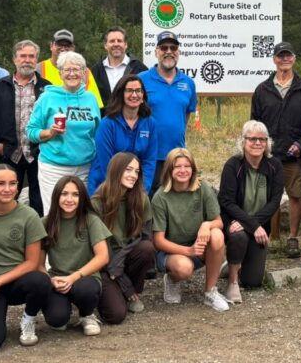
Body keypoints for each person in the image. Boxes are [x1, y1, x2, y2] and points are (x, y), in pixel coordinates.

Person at [0, 164, 51, 351]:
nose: (7, 189)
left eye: (12, 183)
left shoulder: (29, 216)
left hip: (17, 281)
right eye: (1, 183)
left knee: (40, 280)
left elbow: (32, 262)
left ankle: (28, 319)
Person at [250, 41, 301, 259]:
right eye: (281, 56)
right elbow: (255, 124)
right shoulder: (262, 89)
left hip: (295, 155)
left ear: (294, 59)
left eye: (288, 55)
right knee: (269, 197)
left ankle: (293, 238)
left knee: (295, 195)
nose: (284, 59)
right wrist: (259, 148)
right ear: (274, 60)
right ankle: (271, 237)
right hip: (268, 155)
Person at [151, 148, 229, 312]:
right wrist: (188, 251)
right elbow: (158, 241)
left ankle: (210, 291)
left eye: (187, 166)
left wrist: (206, 225)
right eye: (177, 166)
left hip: (198, 247)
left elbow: (219, 222)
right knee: (184, 269)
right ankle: (172, 279)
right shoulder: (160, 197)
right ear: (169, 169)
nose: (183, 170)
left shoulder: (203, 188)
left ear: (193, 169)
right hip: (172, 252)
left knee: (217, 235)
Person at [26, 51, 101, 216]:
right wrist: (50, 132)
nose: (72, 73)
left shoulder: (91, 99)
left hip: (85, 167)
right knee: (54, 214)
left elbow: (97, 132)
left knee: (82, 214)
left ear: (84, 73)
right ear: (60, 73)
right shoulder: (47, 98)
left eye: (76, 69)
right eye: (67, 70)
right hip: (54, 167)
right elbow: (31, 131)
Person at [218, 121, 283, 303]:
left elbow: (275, 202)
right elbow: (226, 202)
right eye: (252, 139)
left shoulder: (275, 165)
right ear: (243, 141)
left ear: (267, 143)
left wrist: (252, 224)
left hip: (258, 226)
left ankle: (234, 261)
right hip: (234, 222)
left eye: (262, 139)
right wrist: (251, 224)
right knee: (238, 236)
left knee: (253, 281)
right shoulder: (233, 165)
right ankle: (232, 280)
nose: (257, 143)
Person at [41, 176, 111, 336]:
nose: (69, 199)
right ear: (56, 196)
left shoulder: (91, 220)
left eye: (75, 194)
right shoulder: (45, 223)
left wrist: (73, 278)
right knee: (57, 320)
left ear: (82, 198)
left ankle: (87, 314)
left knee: (85, 290)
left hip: (85, 277)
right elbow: (38, 263)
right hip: (58, 278)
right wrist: (50, 281)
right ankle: (62, 309)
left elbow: (103, 256)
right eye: (64, 194)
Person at [0, 39, 52, 211]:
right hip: (10, 152)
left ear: (36, 59)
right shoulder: (0, 86)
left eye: (31, 56)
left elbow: (53, 119)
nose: (27, 60)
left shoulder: (47, 88)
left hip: (39, 153)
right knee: (7, 196)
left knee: (39, 199)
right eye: (23, 56)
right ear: (14, 59)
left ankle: (38, 227)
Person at [92, 152, 156, 324]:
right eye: (128, 170)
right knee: (116, 315)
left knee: (146, 249)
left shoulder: (141, 199)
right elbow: (96, 250)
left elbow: (145, 237)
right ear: (116, 170)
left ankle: (131, 291)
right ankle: (124, 292)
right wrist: (124, 284)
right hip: (104, 265)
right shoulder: (97, 203)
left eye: (137, 171)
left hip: (126, 258)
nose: (133, 175)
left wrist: (120, 261)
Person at [139, 31, 198, 194]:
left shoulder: (188, 83)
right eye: (164, 48)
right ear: (156, 52)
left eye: (173, 48)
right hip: (149, 154)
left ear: (178, 52)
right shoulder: (141, 79)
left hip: (176, 156)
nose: (169, 51)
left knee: (173, 199)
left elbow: (186, 114)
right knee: (147, 199)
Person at [87, 75, 157, 196]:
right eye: (129, 90)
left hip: (135, 188)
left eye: (138, 91)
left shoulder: (150, 123)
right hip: (105, 187)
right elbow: (106, 163)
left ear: (143, 96)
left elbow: (149, 162)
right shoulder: (107, 124)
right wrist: (122, 192)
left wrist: (141, 190)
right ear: (121, 95)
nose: (134, 95)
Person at [36, 29, 104, 109]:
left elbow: (95, 105)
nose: (63, 48)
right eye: (59, 44)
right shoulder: (38, 69)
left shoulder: (84, 72)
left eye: (67, 45)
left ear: (73, 48)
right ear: (51, 46)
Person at [89, 26, 148, 110]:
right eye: (112, 41)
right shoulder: (95, 71)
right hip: (104, 117)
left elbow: (146, 97)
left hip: (132, 117)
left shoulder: (140, 68)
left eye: (119, 41)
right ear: (105, 45)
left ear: (126, 44)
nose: (116, 44)